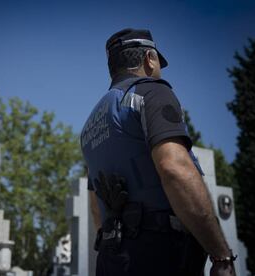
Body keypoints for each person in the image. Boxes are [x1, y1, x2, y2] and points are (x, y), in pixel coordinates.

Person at [80, 28, 236, 276]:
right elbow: (174, 169)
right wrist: (221, 256)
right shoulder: (151, 91)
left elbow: (95, 206)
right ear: (149, 59)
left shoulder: (90, 125)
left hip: (112, 259)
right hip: (161, 253)